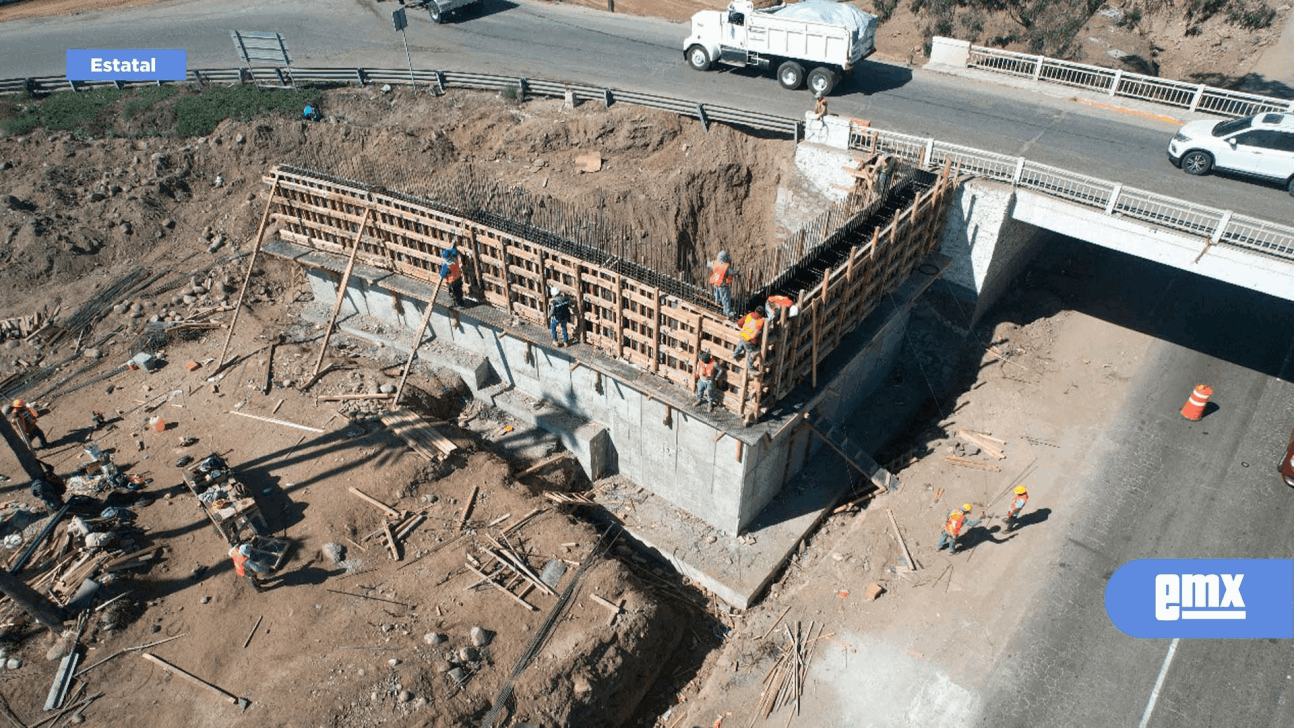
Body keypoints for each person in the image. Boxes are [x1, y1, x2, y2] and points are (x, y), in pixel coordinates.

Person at [707, 251, 736, 318]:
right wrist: (737, 272)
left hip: (715, 282)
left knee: (717, 294)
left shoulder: (715, 263)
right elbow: (732, 272)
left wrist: (707, 262)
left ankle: (717, 302)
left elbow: (709, 264)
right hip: (722, 285)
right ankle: (727, 311)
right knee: (725, 298)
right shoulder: (725, 267)